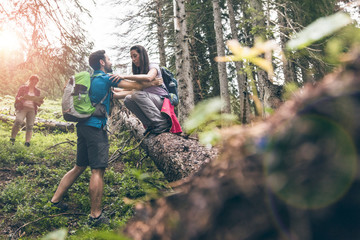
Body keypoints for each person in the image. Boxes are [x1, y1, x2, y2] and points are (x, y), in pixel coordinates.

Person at [50, 50, 161, 227]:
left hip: (83, 126)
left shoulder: (92, 81)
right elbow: (136, 87)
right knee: (97, 171)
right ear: (102, 62)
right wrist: (153, 81)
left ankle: (55, 201)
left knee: (79, 167)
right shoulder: (107, 78)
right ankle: (95, 215)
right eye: (108, 59)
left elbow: (115, 94)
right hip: (96, 128)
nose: (110, 61)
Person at [110, 45, 171, 134]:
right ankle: (150, 125)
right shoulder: (139, 72)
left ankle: (162, 123)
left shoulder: (153, 66)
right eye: (131, 57)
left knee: (136, 94)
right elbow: (131, 90)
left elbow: (149, 77)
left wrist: (123, 76)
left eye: (135, 56)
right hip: (151, 101)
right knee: (128, 99)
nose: (133, 59)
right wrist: (113, 91)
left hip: (162, 101)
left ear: (142, 55)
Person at [10, 75, 44, 147]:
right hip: (22, 107)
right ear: (30, 80)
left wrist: (40, 101)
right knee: (18, 121)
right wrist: (20, 98)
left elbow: (38, 103)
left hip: (32, 109)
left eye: (35, 82)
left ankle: (27, 142)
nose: (34, 83)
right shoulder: (23, 88)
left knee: (30, 125)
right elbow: (17, 97)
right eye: (33, 81)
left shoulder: (37, 91)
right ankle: (12, 138)